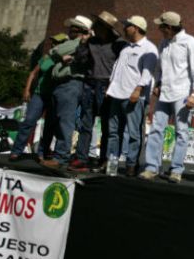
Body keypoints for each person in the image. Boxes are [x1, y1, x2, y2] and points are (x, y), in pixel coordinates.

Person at [139, 11, 194, 183]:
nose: (160, 30)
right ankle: (152, 167)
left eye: (161, 26)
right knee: (156, 129)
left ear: (169, 27)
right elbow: (161, 68)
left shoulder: (190, 43)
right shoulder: (164, 43)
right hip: (165, 94)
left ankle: (176, 170)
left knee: (181, 132)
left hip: (182, 94)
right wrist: (159, 83)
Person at [68, 11, 127, 173]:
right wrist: (82, 44)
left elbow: (125, 66)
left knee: (108, 126)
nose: (94, 27)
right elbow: (81, 60)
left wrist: (116, 86)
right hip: (90, 83)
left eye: (98, 25)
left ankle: (104, 159)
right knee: (86, 123)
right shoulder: (91, 41)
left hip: (108, 86)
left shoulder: (119, 44)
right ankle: (81, 158)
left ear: (106, 28)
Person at [105, 15, 158, 177]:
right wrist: (110, 88)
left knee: (134, 133)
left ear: (136, 28)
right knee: (114, 132)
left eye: (127, 25)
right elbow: (116, 70)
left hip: (134, 96)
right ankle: (112, 164)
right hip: (116, 95)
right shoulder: (126, 48)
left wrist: (138, 90)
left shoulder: (149, 48)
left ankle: (131, 165)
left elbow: (147, 73)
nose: (125, 28)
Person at [41, 15, 92, 169]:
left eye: (73, 28)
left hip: (70, 84)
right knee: (60, 120)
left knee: (65, 121)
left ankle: (61, 157)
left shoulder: (77, 44)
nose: (70, 30)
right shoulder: (75, 44)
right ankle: (59, 154)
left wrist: (56, 54)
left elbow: (56, 51)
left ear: (80, 30)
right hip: (62, 84)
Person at [9, 32, 69, 162]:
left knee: (49, 126)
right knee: (29, 121)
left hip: (55, 96)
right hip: (39, 93)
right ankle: (16, 151)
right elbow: (33, 73)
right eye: (53, 42)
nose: (54, 44)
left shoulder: (67, 58)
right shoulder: (47, 57)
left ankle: (42, 153)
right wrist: (27, 90)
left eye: (58, 42)